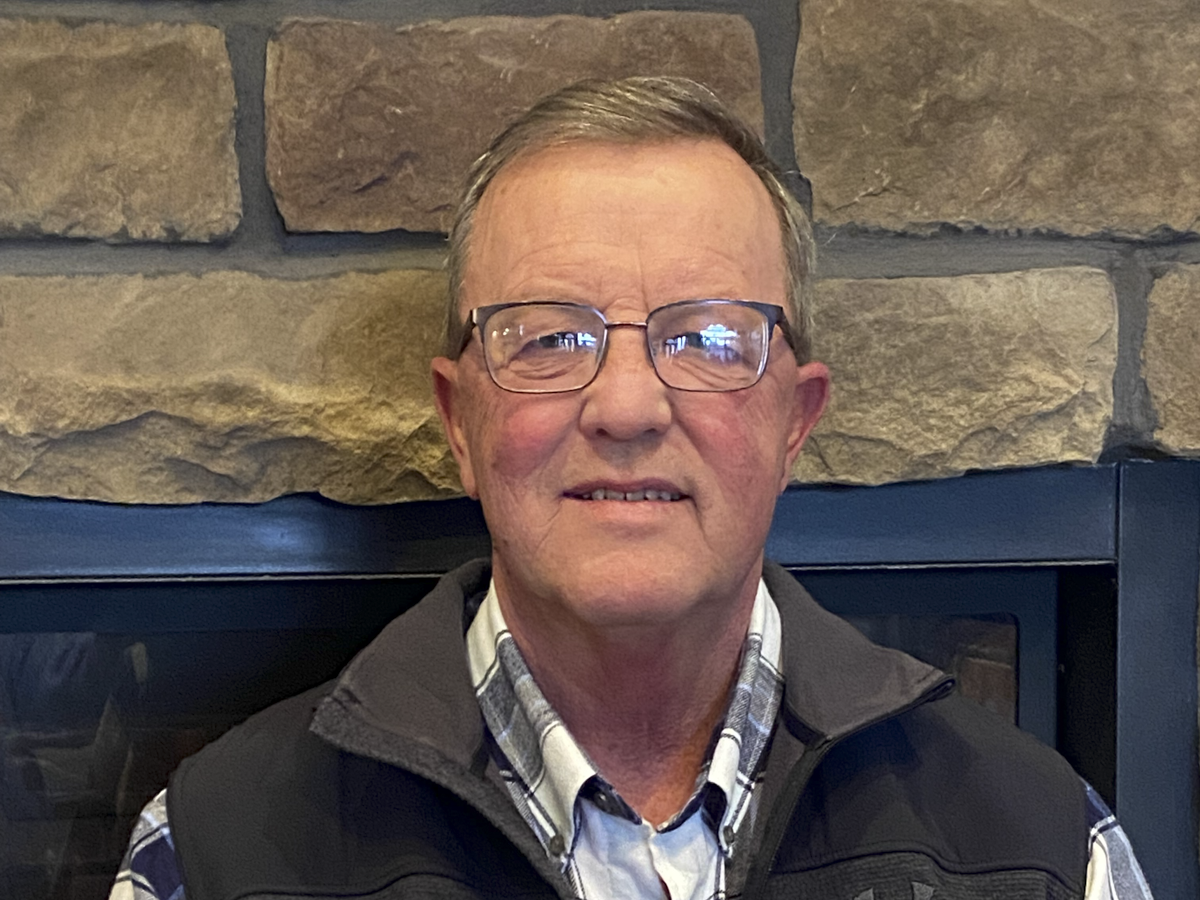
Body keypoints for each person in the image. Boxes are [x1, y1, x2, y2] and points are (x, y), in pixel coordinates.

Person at [111, 76, 1152, 900]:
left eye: (703, 339)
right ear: (459, 422)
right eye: (551, 337)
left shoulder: (1042, 849)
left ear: (795, 420)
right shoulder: (215, 853)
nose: (627, 407)